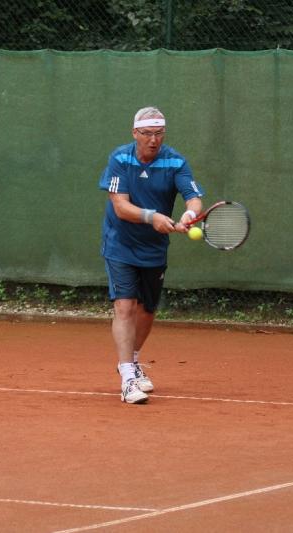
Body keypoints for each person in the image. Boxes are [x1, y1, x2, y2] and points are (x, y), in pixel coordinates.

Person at [98, 106, 204, 404]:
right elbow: (120, 206)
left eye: (159, 133)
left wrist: (189, 214)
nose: (153, 140)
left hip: (154, 248)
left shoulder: (175, 161)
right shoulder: (120, 159)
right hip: (120, 243)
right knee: (125, 306)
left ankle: (132, 360)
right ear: (135, 133)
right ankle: (127, 378)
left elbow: (194, 198)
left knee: (147, 311)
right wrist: (152, 217)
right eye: (147, 133)